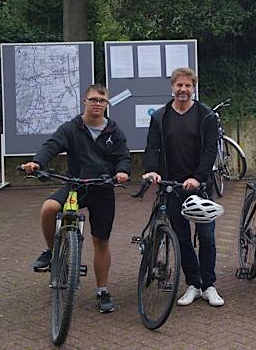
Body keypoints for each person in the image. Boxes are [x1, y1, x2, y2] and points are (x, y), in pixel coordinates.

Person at [23, 84, 131, 313]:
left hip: (102, 189)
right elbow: (51, 145)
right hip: (75, 186)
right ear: (85, 101)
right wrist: (37, 163)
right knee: (49, 208)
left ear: (107, 104)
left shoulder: (114, 131)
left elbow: (124, 157)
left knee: (100, 241)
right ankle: (53, 252)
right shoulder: (72, 128)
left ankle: (102, 291)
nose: (98, 104)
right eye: (93, 100)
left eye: (102, 101)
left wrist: (123, 171)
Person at [143, 67, 224, 307]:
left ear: (193, 88)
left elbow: (211, 151)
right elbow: (152, 147)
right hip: (172, 187)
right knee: (182, 238)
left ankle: (209, 285)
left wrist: (199, 177)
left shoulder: (206, 115)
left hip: (199, 187)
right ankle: (193, 284)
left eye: (188, 86)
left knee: (207, 237)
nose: (183, 90)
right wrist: (152, 169)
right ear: (172, 87)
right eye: (179, 85)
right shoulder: (160, 117)